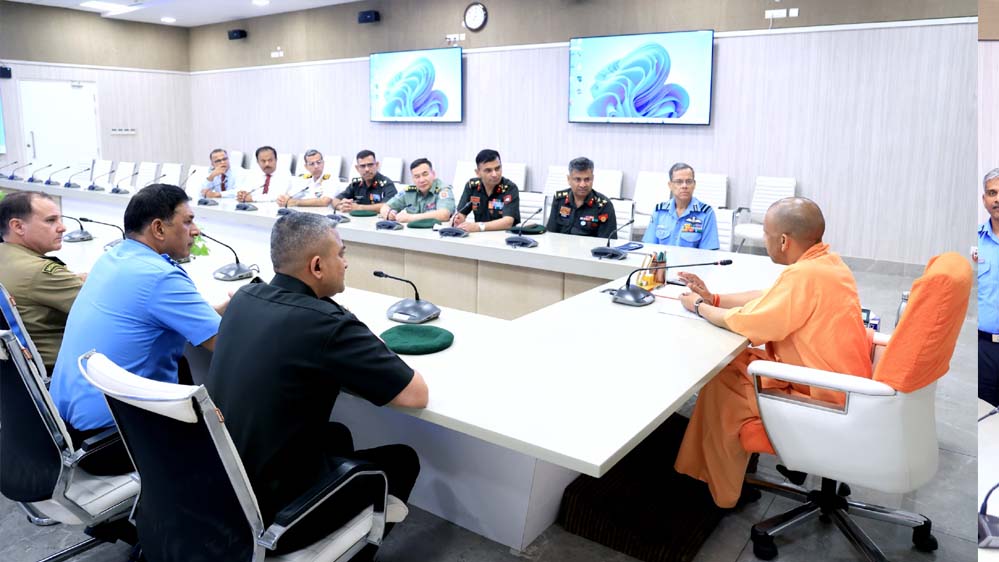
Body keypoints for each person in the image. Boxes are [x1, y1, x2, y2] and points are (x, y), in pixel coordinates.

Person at [206, 212, 428, 557]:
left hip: (220, 488)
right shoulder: (327, 323)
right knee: (401, 460)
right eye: (341, 253)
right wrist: (352, 328)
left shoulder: (244, 298)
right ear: (317, 266)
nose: (346, 263)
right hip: (277, 514)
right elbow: (415, 394)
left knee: (336, 434)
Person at [673, 197, 871, 508]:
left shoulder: (804, 275)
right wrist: (714, 297)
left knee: (722, 383)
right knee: (735, 365)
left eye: (766, 233)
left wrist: (698, 306)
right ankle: (722, 472)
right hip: (845, 388)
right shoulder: (828, 264)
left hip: (823, 398)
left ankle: (718, 490)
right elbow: (770, 297)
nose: (763, 239)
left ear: (783, 241)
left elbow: (747, 323)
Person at [49, 184, 227, 476]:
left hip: (66, 429)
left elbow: (170, 316)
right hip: (112, 441)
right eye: (188, 221)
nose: (195, 231)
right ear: (158, 228)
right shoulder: (161, 277)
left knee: (184, 366)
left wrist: (225, 308)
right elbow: (224, 345)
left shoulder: (114, 258)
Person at [0, 192, 85, 372]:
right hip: (66, 372)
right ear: (18, 226)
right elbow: (113, 311)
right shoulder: (42, 273)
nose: (62, 227)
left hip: (14, 374)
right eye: (51, 221)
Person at [642, 162, 719, 250]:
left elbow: (709, 252)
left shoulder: (706, 213)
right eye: (679, 182)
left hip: (692, 259)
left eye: (689, 181)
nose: (684, 186)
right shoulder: (659, 211)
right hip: (663, 259)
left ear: (694, 185)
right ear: (670, 185)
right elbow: (649, 247)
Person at [546, 157, 617, 238]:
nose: (582, 185)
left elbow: (607, 242)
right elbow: (551, 234)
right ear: (569, 179)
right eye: (578, 179)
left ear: (593, 179)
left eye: (587, 179)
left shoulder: (604, 206)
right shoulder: (559, 200)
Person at [452, 149, 521, 233]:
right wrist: (458, 219)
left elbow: (508, 222)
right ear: (478, 172)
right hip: (479, 236)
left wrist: (479, 227)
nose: (495, 174)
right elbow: (461, 213)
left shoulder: (509, 188)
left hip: (503, 236)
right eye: (488, 170)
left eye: (497, 168)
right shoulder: (472, 186)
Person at [379, 158, 455, 223]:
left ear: (433, 174)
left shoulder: (443, 190)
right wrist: (388, 214)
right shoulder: (409, 191)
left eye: (425, 174)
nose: (421, 180)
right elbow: (386, 206)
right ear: (412, 179)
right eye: (417, 176)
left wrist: (410, 218)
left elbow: (444, 214)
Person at [980, 168, 999, 405]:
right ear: (984, 199)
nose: (997, 199)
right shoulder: (976, 242)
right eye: (992, 193)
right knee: (984, 414)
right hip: (984, 350)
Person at [332, 150, 398, 213]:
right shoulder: (356, 184)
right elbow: (335, 200)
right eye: (362, 166)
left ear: (377, 165)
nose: (367, 169)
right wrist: (342, 206)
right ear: (357, 168)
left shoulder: (386, 184)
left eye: (370, 165)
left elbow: (389, 206)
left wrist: (359, 207)